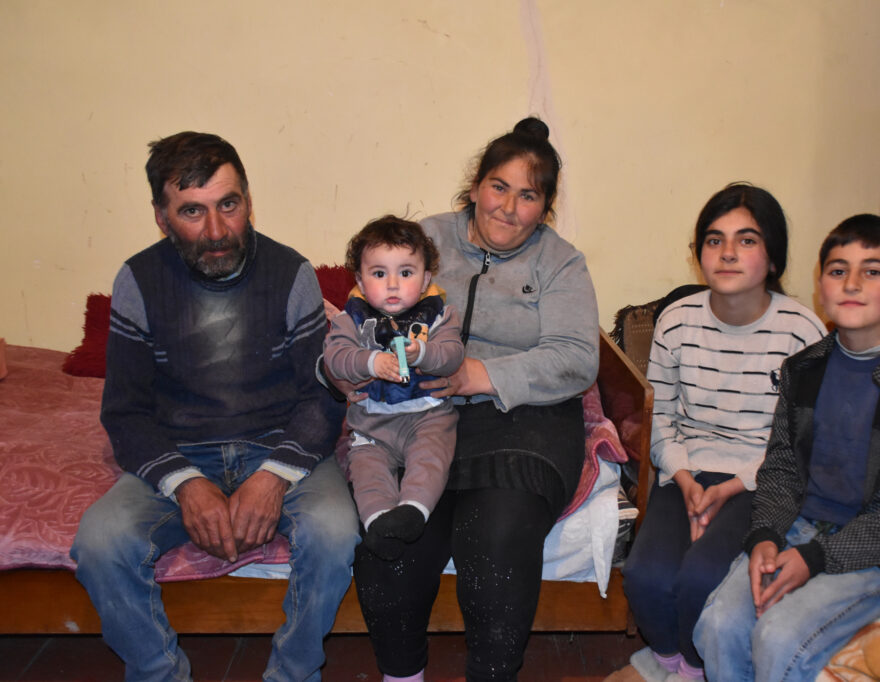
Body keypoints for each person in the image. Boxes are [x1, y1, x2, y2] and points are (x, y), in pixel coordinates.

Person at [70, 131, 359, 682]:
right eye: (192, 211)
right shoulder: (138, 280)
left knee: (335, 533)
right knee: (100, 542)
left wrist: (273, 477)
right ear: (161, 218)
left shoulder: (291, 273)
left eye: (229, 205)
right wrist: (185, 483)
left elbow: (323, 394)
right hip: (179, 449)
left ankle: (292, 675)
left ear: (249, 201)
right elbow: (125, 411)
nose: (217, 230)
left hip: (280, 445)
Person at [341, 117, 599, 682]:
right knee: (391, 541)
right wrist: (353, 367)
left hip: (525, 422)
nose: (508, 207)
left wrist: (479, 374)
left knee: (496, 536)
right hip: (419, 417)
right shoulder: (426, 239)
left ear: (545, 208)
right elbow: (361, 312)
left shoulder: (560, 262)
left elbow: (578, 358)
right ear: (476, 185)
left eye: (528, 195)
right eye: (498, 187)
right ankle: (401, 675)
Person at [693, 215, 880, 681]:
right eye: (838, 271)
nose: (852, 283)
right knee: (719, 623)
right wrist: (765, 536)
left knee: (779, 636)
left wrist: (817, 558)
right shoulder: (803, 368)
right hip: (799, 528)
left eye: (873, 271)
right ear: (821, 287)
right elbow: (781, 467)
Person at [622, 183, 827, 682]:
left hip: (762, 478)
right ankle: (671, 661)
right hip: (687, 470)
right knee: (644, 576)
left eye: (746, 240)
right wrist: (685, 479)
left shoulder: (802, 331)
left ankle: (696, 667)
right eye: (715, 240)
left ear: (773, 258)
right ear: (698, 255)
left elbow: (801, 443)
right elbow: (660, 418)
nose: (728, 253)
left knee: (701, 578)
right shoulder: (676, 322)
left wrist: (733, 486)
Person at [322, 216, 464, 560]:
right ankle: (379, 522)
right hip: (372, 424)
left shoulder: (440, 316)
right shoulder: (349, 319)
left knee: (430, 459)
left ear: (426, 278)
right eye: (378, 273)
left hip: (426, 418)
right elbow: (335, 358)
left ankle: (414, 510)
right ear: (359, 280)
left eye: (406, 272)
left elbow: (452, 355)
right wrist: (371, 362)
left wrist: (424, 353)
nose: (393, 285)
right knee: (366, 469)